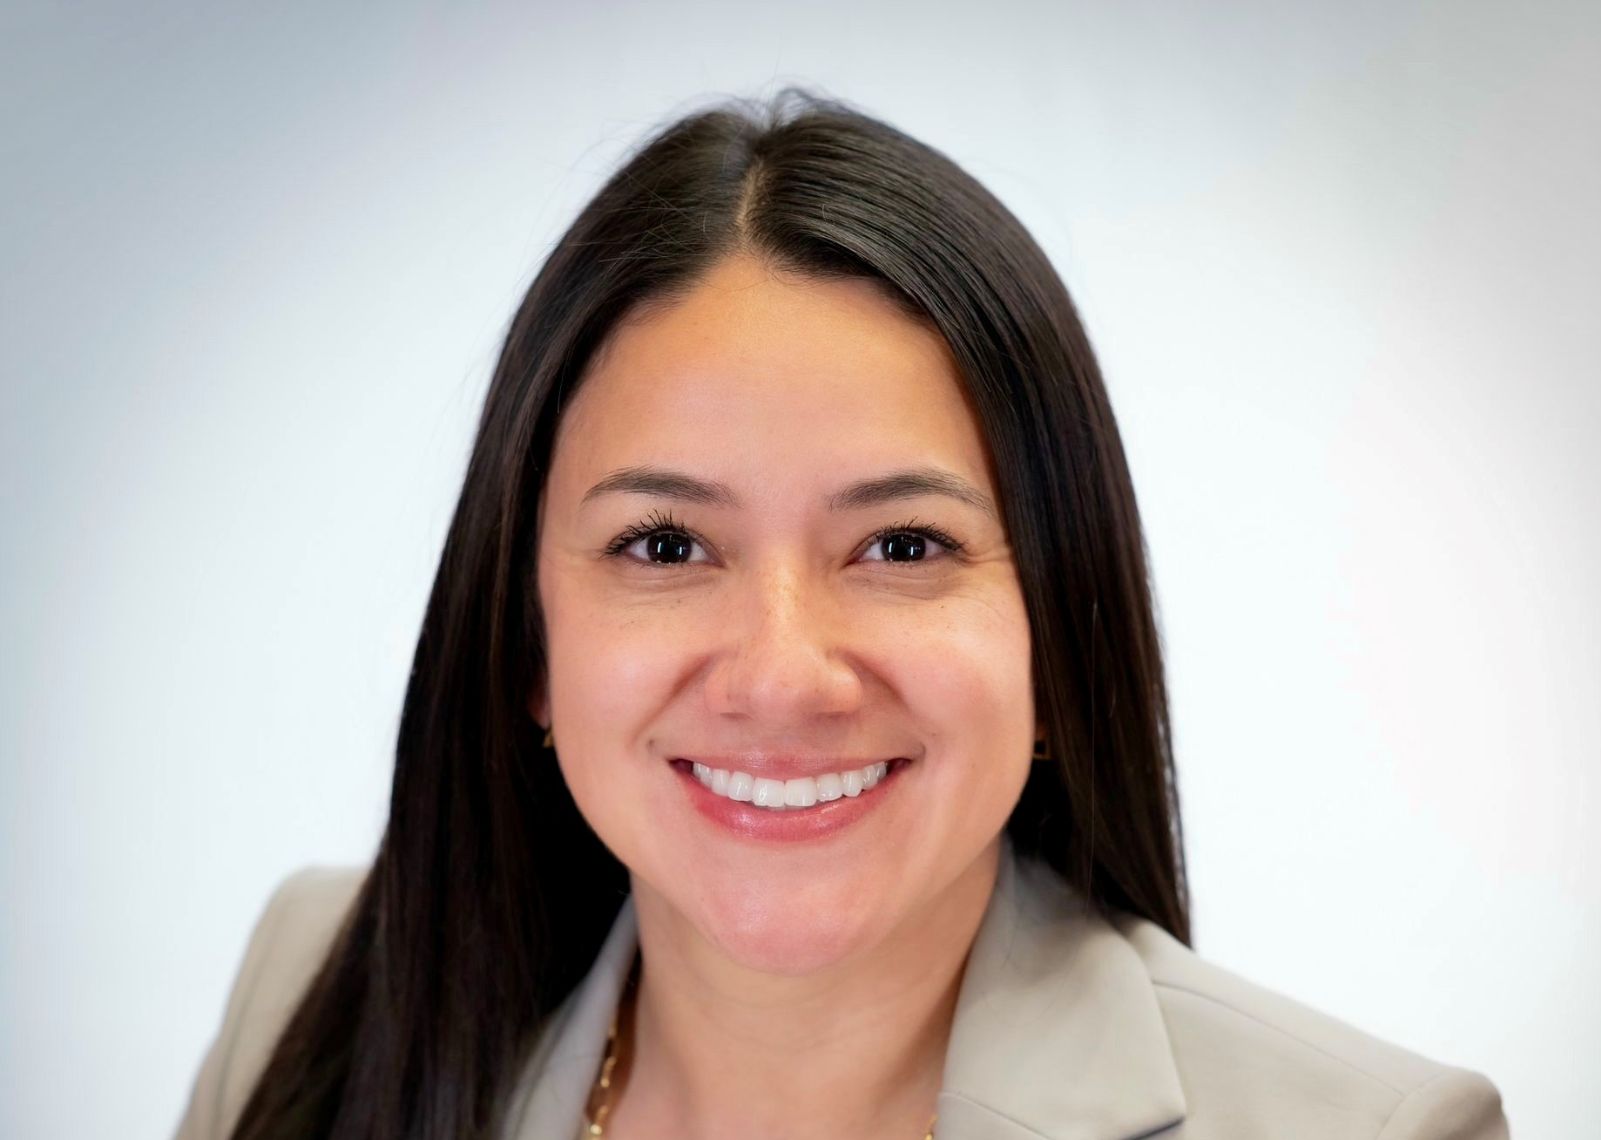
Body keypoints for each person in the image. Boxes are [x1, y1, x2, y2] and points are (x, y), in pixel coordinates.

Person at [174, 91, 1510, 1140]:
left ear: (1059, 629)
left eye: (902, 544)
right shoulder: (322, 988)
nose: (783, 672)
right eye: (664, 542)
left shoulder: (1377, 1133)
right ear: (527, 643)